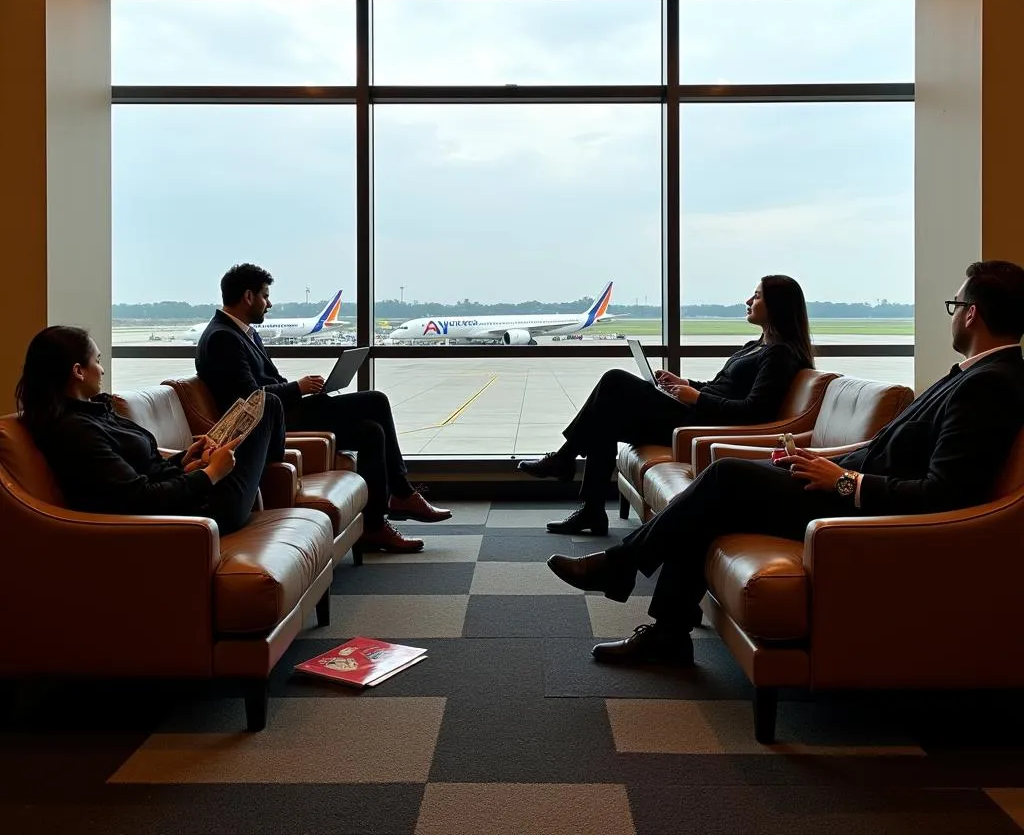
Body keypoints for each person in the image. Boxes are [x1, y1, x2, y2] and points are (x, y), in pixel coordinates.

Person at [546, 260, 1024, 665]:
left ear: (972, 314)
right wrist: (818, 456)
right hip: (847, 483)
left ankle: (625, 569)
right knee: (717, 492)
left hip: (864, 512)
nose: (952, 316)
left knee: (725, 478)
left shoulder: (990, 384)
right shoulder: (976, 374)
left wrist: (845, 482)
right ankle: (664, 627)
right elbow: (887, 444)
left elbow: (946, 492)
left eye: (954, 306)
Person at [520, 275, 814, 535]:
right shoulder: (757, 346)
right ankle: (591, 509)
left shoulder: (779, 355)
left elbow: (753, 412)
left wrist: (696, 398)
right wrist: (684, 384)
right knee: (605, 417)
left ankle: (565, 462)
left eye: (758, 295)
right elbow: (722, 388)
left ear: (777, 305)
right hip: (696, 411)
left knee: (614, 381)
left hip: (702, 426)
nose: (748, 300)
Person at [195, 264, 451, 554]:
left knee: (371, 432)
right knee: (376, 400)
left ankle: (374, 524)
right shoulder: (222, 337)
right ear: (248, 296)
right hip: (269, 426)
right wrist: (298, 389)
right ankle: (402, 493)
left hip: (285, 411)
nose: (270, 303)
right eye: (266, 296)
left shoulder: (243, 333)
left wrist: (301, 390)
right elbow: (249, 399)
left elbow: (267, 384)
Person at [16, 326, 283, 536]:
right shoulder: (76, 431)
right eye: (97, 361)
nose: (102, 369)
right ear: (78, 371)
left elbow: (144, 473)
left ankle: (268, 485)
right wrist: (210, 473)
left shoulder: (93, 414)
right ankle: (275, 485)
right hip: (201, 515)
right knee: (268, 404)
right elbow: (140, 498)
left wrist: (185, 460)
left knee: (255, 415)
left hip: (192, 500)